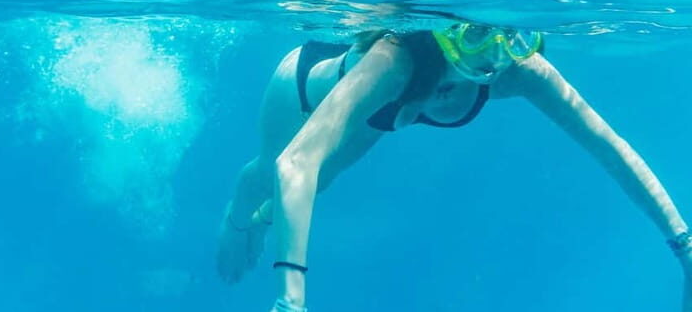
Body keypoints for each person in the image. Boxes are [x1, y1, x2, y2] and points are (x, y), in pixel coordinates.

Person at [216, 23, 692, 311]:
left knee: (318, 187)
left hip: (386, 116)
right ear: (445, 35)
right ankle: (239, 222)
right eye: (476, 35)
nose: (491, 57)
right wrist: (291, 299)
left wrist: (684, 244)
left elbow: (609, 147)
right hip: (301, 84)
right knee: (271, 176)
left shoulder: (515, 70)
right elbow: (295, 162)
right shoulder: (394, 61)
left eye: (510, 37)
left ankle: (262, 221)